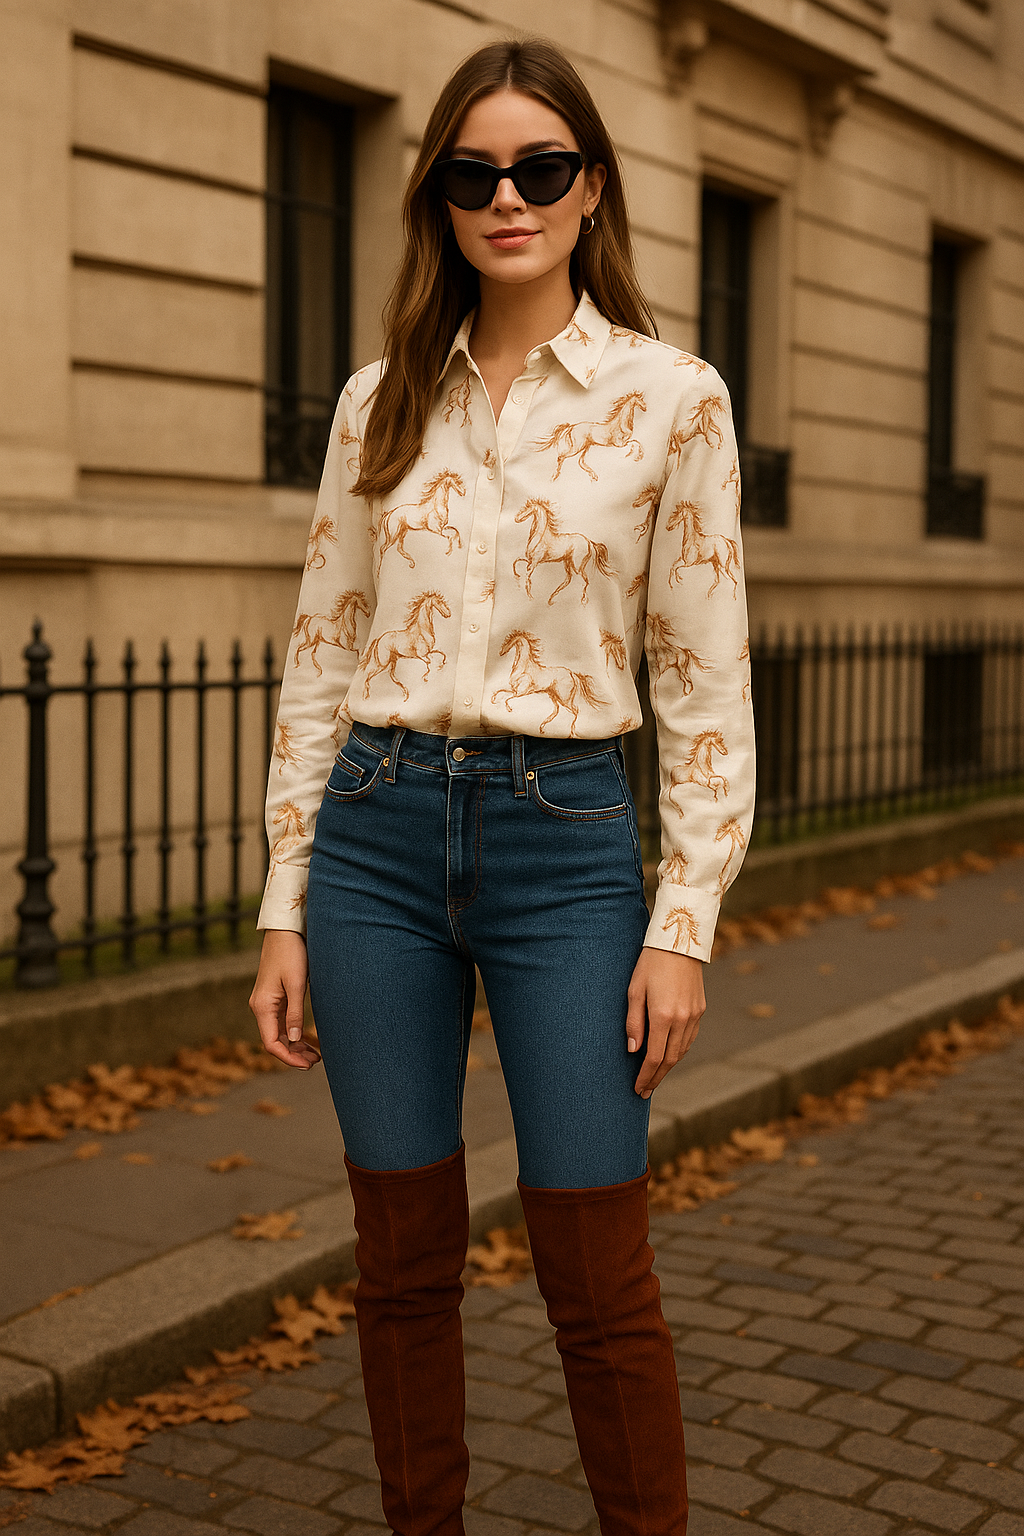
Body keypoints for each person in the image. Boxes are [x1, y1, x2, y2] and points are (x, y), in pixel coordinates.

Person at [249, 34, 755, 1536]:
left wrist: (685, 921)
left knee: (597, 1274)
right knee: (399, 1269)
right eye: (475, 173)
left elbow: (704, 676)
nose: (508, 197)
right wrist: (286, 901)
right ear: (442, 199)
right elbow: (321, 659)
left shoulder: (674, 400)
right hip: (375, 843)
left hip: (569, 846)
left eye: (541, 168)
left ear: (591, 187)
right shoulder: (375, 404)